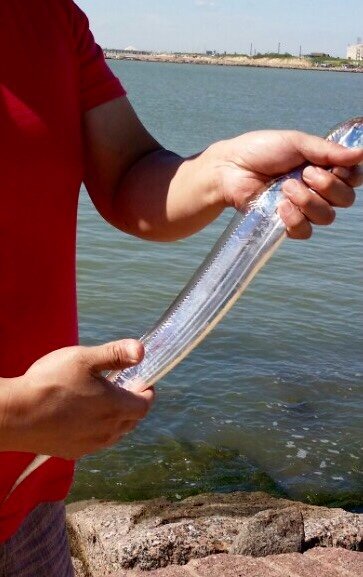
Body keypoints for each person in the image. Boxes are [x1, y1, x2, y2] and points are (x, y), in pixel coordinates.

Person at [0, 1, 362, 575]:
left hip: (31, 506)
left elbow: (127, 174)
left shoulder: (50, 17)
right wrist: (13, 416)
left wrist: (220, 169)